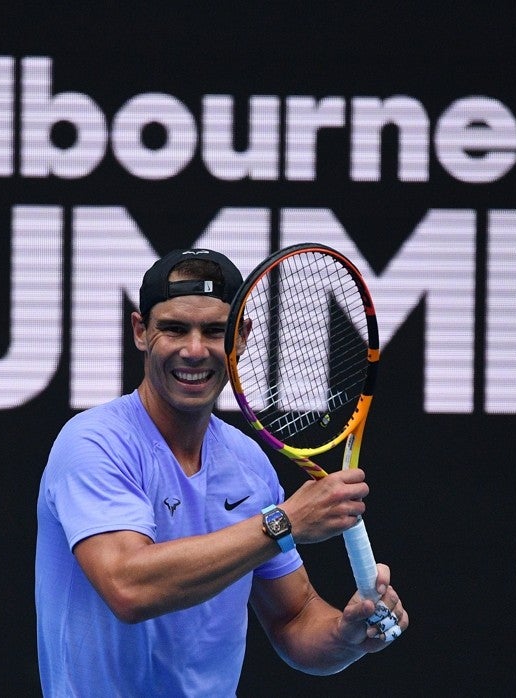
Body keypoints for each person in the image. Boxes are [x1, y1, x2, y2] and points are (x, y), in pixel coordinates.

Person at [35, 248, 409, 696]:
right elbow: (128, 587)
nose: (195, 351)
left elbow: (294, 620)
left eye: (214, 331)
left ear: (242, 336)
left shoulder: (248, 464)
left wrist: (347, 636)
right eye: (174, 329)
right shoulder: (94, 443)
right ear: (140, 331)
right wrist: (284, 524)